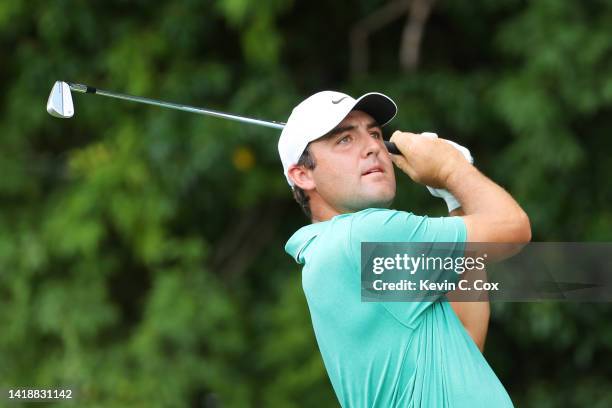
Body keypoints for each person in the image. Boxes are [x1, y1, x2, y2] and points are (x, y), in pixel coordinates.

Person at [278, 90, 531, 407]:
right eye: (344, 140)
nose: (372, 147)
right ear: (302, 175)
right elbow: (513, 229)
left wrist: (455, 197)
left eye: (374, 134)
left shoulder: (334, 250)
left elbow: (465, 336)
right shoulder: (364, 235)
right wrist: (452, 169)